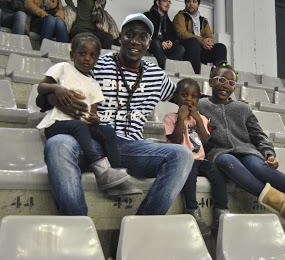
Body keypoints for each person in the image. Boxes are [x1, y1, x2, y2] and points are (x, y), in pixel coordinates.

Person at [36, 13, 194, 215]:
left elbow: (184, 97)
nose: (135, 41)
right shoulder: (95, 63)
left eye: (142, 36)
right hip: (93, 142)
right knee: (58, 144)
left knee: (182, 155)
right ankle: (76, 224)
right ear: (120, 37)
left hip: (131, 148)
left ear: (148, 43)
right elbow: (42, 99)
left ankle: (144, 224)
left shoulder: (157, 75)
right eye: (130, 34)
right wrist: (54, 98)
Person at [198, 62, 285, 220]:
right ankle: (283, 204)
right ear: (211, 81)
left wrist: (268, 154)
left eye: (231, 83)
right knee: (226, 160)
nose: (226, 85)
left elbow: (258, 135)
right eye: (221, 80)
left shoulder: (242, 108)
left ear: (234, 87)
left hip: (246, 150)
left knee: (258, 167)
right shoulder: (201, 105)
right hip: (219, 153)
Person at [37, 32, 141, 196]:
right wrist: (57, 88)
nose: (87, 59)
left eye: (92, 56)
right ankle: (101, 172)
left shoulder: (93, 84)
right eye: (82, 53)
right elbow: (41, 87)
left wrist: (95, 118)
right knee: (78, 125)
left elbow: (92, 114)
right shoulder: (63, 68)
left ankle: (118, 174)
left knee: (106, 130)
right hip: (57, 124)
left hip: (81, 126)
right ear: (72, 54)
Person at [163, 78, 228, 235]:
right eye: (184, 95)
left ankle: (221, 213)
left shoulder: (202, 118)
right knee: (189, 176)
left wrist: (198, 119)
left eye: (193, 97)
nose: (189, 99)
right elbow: (177, 140)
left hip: (200, 160)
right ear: (176, 98)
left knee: (218, 175)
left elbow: (205, 141)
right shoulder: (170, 118)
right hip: (184, 161)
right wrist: (181, 119)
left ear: (198, 101)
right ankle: (192, 210)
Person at [173, 0, 227, 74]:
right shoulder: (180, 16)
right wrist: (202, 41)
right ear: (185, 4)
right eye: (188, 2)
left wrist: (208, 43)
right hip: (187, 48)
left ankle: (220, 74)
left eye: (194, 2)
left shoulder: (203, 20)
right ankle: (197, 74)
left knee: (221, 47)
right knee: (193, 41)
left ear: (198, 4)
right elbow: (182, 33)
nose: (191, 4)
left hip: (200, 50)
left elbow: (209, 36)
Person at [144, 0, 185, 69]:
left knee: (181, 49)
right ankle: (164, 69)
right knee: (156, 43)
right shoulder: (148, 15)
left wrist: (170, 42)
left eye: (169, 2)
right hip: (152, 43)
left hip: (164, 47)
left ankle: (168, 67)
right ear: (157, 3)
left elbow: (174, 36)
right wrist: (158, 41)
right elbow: (144, 32)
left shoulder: (168, 21)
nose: (168, 4)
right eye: (165, 1)